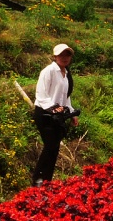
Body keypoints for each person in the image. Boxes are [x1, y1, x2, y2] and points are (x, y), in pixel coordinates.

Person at [32, 42, 79, 185]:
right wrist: (53, 107)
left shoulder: (66, 74)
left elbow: (66, 95)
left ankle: (47, 180)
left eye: (67, 55)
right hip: (45, 114)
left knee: (55, 147)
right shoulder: (49, 71)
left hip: (58, 115)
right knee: (50, 145)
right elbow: (41, 94)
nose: (65, 58)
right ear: (55, 56)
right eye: (61, 55)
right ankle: (38, 179)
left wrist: (71, 112)